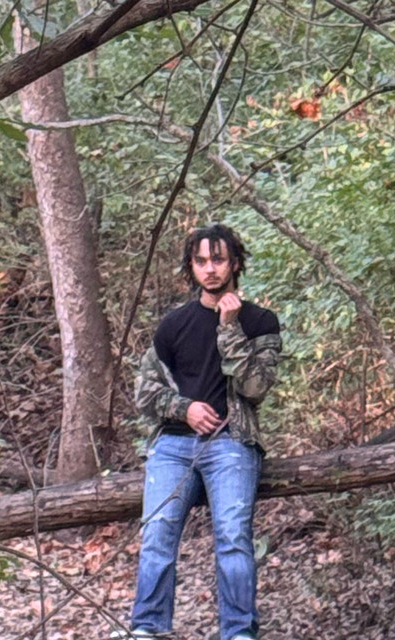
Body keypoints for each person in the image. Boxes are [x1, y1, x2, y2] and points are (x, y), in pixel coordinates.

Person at [113, 223, 281, 640]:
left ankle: (239, 632)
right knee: (157, 533)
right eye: (201, 261)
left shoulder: (260, 322)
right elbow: (144, 391)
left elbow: (256, 389)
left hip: (231, 444)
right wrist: (184, 409)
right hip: (173, 446)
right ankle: (147, 628)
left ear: (235, 263)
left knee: (233, 536)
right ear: (191, 266)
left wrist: (230, 328)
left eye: (218, 260)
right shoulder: (174, 325)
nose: (210, 269)